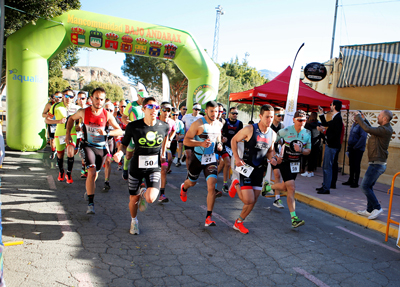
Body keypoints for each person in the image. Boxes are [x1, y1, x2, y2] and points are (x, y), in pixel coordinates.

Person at [114, 97, 169, 234]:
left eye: (157, 107)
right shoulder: (134, 126)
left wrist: (163, 153)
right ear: (143, 109)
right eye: (150, 107)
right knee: (134, 199)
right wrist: (120, 153)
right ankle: (134, 221)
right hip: (136, 167)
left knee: (150, 199)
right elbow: (124, 144)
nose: (154, 110)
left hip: (154, 167)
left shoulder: (164, 126)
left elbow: (165, 138)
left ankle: (144, 193)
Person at [66, 87, 122, 214]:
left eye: (101, 99)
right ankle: (91, 204)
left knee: (95, 174)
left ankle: (88, 189)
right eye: (96, 98)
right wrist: (68, 133)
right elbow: (70, 119)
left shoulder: (107, 115)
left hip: (101, 148)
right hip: (87, 145)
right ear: (91, 99)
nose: (99, 101)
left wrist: (107, 132)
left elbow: (119, 130)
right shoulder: (83, 112)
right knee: (91, 171)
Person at [229, 104, 277, 234]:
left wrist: (273, 158)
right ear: (260, 116)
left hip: (259, 171)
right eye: (267, 117)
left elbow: (270, 151)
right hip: (246, 168)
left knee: (253, 201)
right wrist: (237, 158)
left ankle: (238, 222)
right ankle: (236, 184)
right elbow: (234, 140)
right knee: (248, 200)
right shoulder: (250, 129)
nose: (270, 120)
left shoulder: (273, 134)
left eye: (272, 117)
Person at [179, 101, 223, 227]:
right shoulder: (198, 124)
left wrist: (219, 144)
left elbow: (218, 138)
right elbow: (186, 140)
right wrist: (200, 144)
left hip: (211, 159)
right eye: (212, 111)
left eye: (217, 111)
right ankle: (184, 187)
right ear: (206, 111)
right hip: (197, 158)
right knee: (191, 182)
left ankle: (208, 217)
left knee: (211, 185)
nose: (214, 114)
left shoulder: (219, 124)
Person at [265, 110, 311, 228]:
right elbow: (273, 144)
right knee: (292, 187)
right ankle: (294, 218)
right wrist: (276, 157)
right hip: (284, 162)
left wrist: (300, 150)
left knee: (286, 187)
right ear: (294, 120)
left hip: (295, 164)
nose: (302, 122)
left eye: (304, 120)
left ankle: (269, 187)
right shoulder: (284, 131)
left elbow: (308, 151)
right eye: (300, 120)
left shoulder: (307, 133)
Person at [355, 110, 393, 220]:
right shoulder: (383, 129)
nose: (378, 116)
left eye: (380, 115)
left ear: (385, 119)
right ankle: (369, 210)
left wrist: (358, 117)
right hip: (376, 163)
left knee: (364, 186)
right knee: (369, 186)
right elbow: (372, 129)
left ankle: (377, 207)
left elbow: (367, 129)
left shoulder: (385, 130)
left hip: (377, 164)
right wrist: (364, 119)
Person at [45, 89, 80, 184]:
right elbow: (47, 120)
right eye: (66, 96)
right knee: (60, 154)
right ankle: (61, 171)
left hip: (72, 133)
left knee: (70, 152)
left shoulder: (77, 108)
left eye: (71, 96)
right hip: (59, 133)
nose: (68, 98)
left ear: (74, 98)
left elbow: (80, 122)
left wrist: (78, 126)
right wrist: (58, 121)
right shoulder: (56, 106)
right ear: (63, 96)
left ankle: (69, 173)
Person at [316, 100, 343, 194]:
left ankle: (326, 188)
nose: (330, 106)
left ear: (334, 106)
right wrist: (321, 113)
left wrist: (326, 137)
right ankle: (325, 185)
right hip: (330, 145)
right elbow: (326, 124)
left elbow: (335, 134)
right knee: (325, 167)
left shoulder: (338, 118)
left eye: (331, 104)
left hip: (331, 146)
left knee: (327, 167)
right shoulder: (336, 118)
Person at [263, 106, 285, 208]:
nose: (280, 117)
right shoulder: (268, 125)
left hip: (274, 153)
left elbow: (282, 142)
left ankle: (277, 199)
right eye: (278, 115)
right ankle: (264, 186)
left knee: (277, 175)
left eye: (282, 115)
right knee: (262, 173)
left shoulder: (282, 126)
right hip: (264, 152)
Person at [121, 92, 145, 180]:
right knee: (128, 155)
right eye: (142, 97)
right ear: (138, 96)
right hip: (133, 134)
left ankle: (141, 178)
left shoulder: (147, 106)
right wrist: (132, 124)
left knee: (142, 155)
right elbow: (123, 118)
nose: (143, 99)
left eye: (145, 97)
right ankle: (125, 168)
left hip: (143, 134)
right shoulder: (131, 105)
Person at [221, 107, 243, 193]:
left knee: (225, 165)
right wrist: (222, 138)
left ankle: (215, 175)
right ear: (229, 114)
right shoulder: (225, 122)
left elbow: (241, 135)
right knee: (227, 164)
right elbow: (220, 132)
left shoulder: (239, 123)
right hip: (225, 146)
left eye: (236, 113)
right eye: (233, 113)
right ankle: (225, 184)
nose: (235, 115)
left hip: (234, 147)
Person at [157, 102, 176, 203]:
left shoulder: (170, 122)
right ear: (160, 109)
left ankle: (162, 194)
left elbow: (173, 131)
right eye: (164, 109)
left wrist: (169, 140)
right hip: (152, 149)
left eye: (169, 110)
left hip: (163, 148)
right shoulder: (154, 120)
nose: (166, 112)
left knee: (164, 168)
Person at [342, 114, 368, 188]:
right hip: (351, 147)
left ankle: (355, 182)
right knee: (351, 164)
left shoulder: (362, 125)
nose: (354, 117)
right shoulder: (354, 124)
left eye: (356, 116)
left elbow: (363, 137)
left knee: (356, 165)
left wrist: (356, 147)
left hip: (358, 149)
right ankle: (350, 179)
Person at [102, 101, 118, 192]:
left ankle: (106, 182)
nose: (108, 111)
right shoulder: (99, 119)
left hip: (109, 142)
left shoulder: (115, 120)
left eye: (110, 110)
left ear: (113, 111)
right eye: (106, 109)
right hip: (98, 143)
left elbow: (119, 132)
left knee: (108, 161)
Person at [181, 103, 203, 167]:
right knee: (189, 156)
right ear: (193, 109)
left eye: (198, 110)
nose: (197, 111)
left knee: (194, 157)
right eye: (196, 109)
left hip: (196, 140)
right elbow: (182, 126)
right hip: (188, 138)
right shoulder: (186, 117)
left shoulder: (201, 118)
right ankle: (188, 172)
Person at [301, 112, 322, 177]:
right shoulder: (319, 124)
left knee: (308, 157)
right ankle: (311, 171)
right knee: (314, 157)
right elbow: (321, 134)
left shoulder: (308, 124)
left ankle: (308, 171)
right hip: (317, 142)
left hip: (309, 143)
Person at [42, 91, 62, 159]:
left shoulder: (63, 105)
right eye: (56, 97)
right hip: (52, 124)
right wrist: (50, 115)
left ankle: (59, 153)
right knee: (52, 139)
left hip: (61, 125)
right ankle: (53, 151)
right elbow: (43, 114)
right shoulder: (49, 105)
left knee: (60, 140)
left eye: (60, 97)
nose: (58, 98)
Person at [115, 100, 128, 170]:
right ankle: (119, 162)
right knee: (119, 144)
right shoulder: (116, 114)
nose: (123, 108)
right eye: (121, 106)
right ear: (119, 107)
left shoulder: (128, 115)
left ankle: (125, 163)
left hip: (127, 133)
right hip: (119, 132)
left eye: (124, 106)